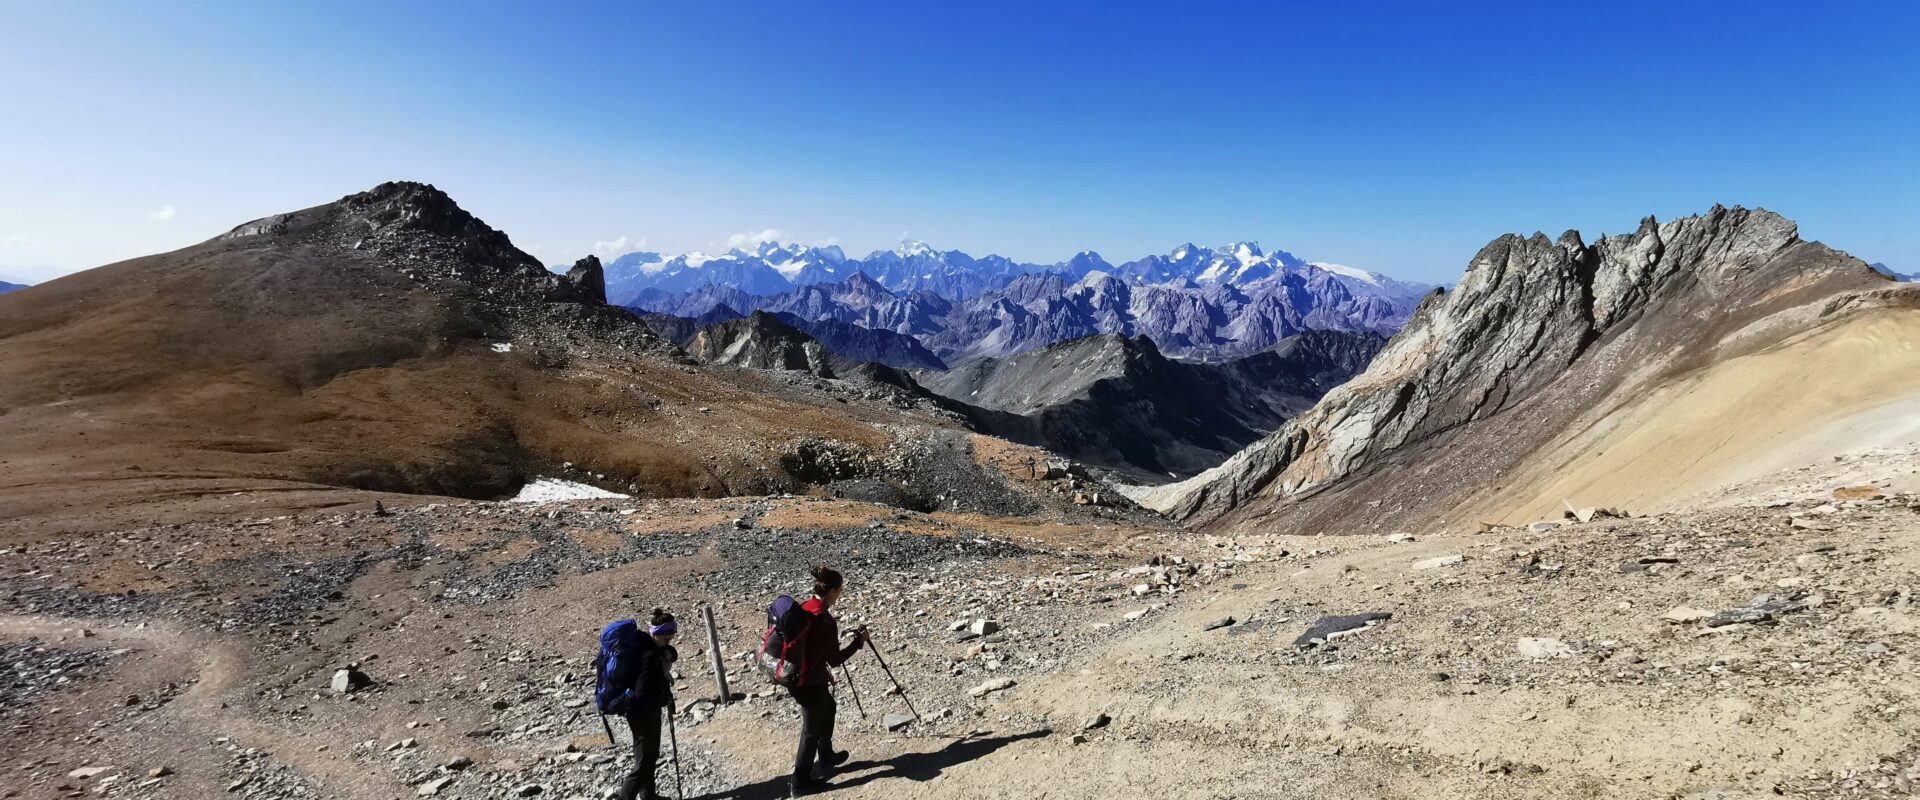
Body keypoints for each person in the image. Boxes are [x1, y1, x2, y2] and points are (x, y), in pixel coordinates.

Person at [787, 566, 867, 797]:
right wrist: (858, 642)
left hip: (799, 676)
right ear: (832, 591)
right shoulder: (824, 620)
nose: (841, 594)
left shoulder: (805, 607)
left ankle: (826, 754)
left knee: (829, 706)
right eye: (840, 590)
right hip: (808, 681)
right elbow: (835, 659)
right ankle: (799, 783)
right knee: (810, 730)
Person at [618, 608, 679, 800]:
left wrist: (667, 652)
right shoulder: (649, 656)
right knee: (644, 761)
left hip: (638, 711)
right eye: (665, 638)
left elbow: (667, 652)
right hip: (643, 712)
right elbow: (642, 689)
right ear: (656, 633)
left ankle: (648, 796)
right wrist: (661, 697)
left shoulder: (644, 644)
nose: (668, 641)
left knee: (648, 757)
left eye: (670, 638)